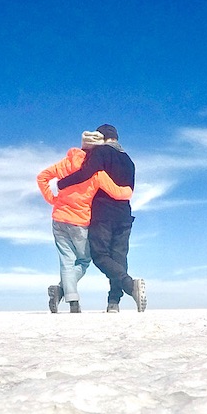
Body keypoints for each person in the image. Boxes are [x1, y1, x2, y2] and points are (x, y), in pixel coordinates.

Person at [36, 131, 131, 313]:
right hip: (80, 221)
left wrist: (52, 199)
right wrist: (128, 191)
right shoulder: (95, 171)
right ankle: (65, 293)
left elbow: (42, 177)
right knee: (83, 261)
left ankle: (70, 298)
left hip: (58, 219)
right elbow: (117, 192)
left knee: (66, 261)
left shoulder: (64, 164)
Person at [56, 123, 146, 312]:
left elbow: (85, 173)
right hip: (124, 215)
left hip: (103, 214)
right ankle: (114, 302)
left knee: (99, 255)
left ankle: (130, 285)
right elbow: (130, 190)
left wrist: (63, 183)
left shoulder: (101, 152)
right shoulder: (129, 160)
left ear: (102, 138)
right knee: (119, 256)